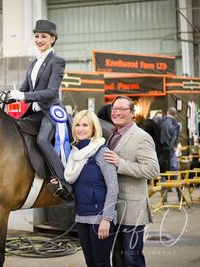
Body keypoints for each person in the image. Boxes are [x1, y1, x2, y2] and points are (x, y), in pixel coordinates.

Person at [7, 19, 73, 202]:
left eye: (43, 36)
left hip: (51, 110)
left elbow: (51, 92)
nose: (39, 39)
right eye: (36, 36)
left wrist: (24, 97)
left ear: (52, 39)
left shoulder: (57, 62)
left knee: (43, 139)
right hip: (35, 113)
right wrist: (9, 96)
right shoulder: (33, 63)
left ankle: (63, 181)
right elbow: (24, 89)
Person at [103, 96, 159, 267]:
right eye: (114, 109)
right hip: (112, 209)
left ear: (132, 113)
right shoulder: (111, 135)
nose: (117, 112)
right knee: (117, 259)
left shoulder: (141, 137)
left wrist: (121, 164)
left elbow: (152, 170)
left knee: (132, 259)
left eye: (122, 109)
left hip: (132, 210)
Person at [64, 110, 118, 267]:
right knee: (90, 263)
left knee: (101, 263)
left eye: (85, 125)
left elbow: (113, 188)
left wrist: (106, 220)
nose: (80, 129)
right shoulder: (74, 155)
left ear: (93, 129)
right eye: (77, 125)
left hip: (100, 218)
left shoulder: (102, 153)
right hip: (81, 218)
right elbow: (77, 186)